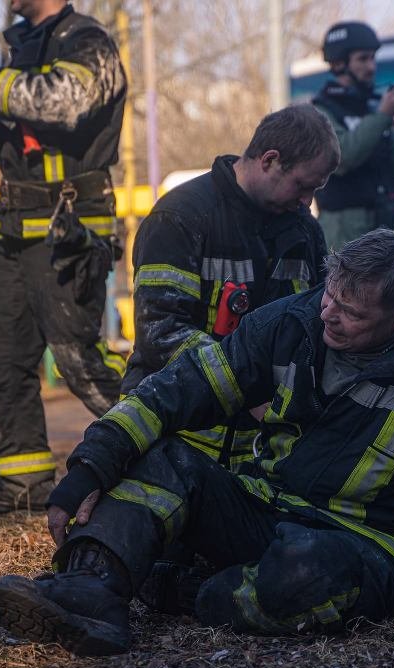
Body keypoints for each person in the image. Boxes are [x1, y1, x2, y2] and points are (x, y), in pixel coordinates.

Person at [0, 230, 394, 657]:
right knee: (164, 456)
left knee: (307, 574)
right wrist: (90, 466)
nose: (329, 317)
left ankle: (182, 589)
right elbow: (175, 391)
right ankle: (90, 590)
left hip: (376, 543)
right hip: (268, 505)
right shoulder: (290, 323)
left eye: (351, 312)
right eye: (329, 297)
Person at [0, 0, 128, 518]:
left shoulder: (87, 40)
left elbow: (65, 102)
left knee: (81, 360)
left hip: (68, 228)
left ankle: (174, 451)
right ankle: (23, 482)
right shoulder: (19, 48)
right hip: (12, 230)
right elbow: (17, 136)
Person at [125, 104, 334, 471]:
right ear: (269, 160)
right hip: (175, 432)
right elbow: (160, 331)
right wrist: (245, 384)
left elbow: (319, 326)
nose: (307, 201)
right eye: (302, 185)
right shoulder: (180, 217)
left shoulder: (303, 231)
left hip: (260, 451)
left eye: (315, 189)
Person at [313, 22, 394, 250]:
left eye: (373, 58)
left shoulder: (373, 109)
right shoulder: (321, 110)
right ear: (338, 63)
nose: (372, 67)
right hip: (344, 232)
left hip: (384, 227)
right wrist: (383, 115)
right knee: (348, 287)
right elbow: (342, 156)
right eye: (363, 59)